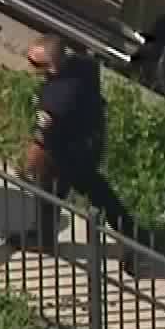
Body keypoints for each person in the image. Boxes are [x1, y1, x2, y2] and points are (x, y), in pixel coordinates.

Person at [16, 34, 136, 273]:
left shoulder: (55, 99)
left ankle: (134, 243)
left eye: (34, 63)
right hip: (91, 140)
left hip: (68, 154)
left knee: (94, 195)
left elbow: (40, 141)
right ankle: (43, 237)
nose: (29, 66)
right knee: (51, 194)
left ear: (51, 66)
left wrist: (26, 168)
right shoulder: (84, 66)